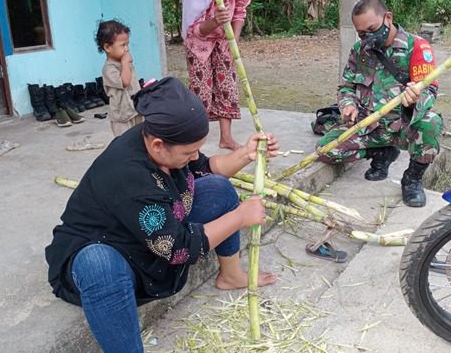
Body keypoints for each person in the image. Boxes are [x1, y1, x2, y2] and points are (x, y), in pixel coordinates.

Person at [45, 77, 278, 352]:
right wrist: (240, 217)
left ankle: (230, 275)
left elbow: (205, 168)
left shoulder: (162, 140)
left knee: (218, 188)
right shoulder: (129, 175)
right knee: (100, 265)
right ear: (158, 146)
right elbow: (179, 249)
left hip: (153, 235)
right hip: (111, 249)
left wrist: (245, 154)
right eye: (189, 152)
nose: (193, 157)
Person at [316, 0, 442, 207]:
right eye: (362, 33)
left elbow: (429, 90)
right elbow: (347, 87)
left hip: (403, 125)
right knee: (325, 149)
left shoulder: (417, 47)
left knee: (431, 123)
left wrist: (415, 100)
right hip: (369, 125)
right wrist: (348, 104)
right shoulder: (359, 50)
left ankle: (412, 179)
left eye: (373, 29)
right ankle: (383, 152)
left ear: (388, 18)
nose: (368, 37)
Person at [182, 0, 251, 151]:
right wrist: (214, 22)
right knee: (201, 92)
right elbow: (195, 30)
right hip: (200, 43)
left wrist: (235, 41)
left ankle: (226, 138)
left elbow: (240, 10)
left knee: (227, 86)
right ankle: (195, 143)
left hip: (225, 41)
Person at [96, 20, 144, 137]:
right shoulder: (109, 69)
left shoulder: (124, 61)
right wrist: (125, 62)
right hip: (122, 116)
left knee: (141, 138)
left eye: (127, 44)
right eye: (122, 45)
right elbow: (125, 82)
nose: (126, 49)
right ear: (107, 47)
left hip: (135, 110)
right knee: (125, 143)